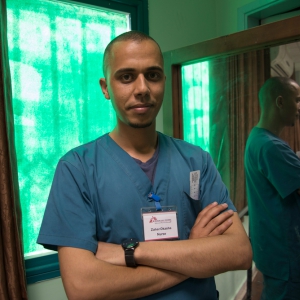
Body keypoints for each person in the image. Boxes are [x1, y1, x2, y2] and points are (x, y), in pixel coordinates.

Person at [37, 31, 252, 300]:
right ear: (105, 88)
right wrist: (193, 255)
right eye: (126, 77)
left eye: (152, 75)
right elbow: (83, 288)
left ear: (163, 80)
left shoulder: (196, 160)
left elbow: (239, 252)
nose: (142, 89)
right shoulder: (77, 169)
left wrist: (130, 250)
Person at [244, 77, 300, 300]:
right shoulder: (271, 146)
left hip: (273, 249)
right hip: (284, 254)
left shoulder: (257, 138)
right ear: (280, 101)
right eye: (297, 100)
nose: (299, 107)